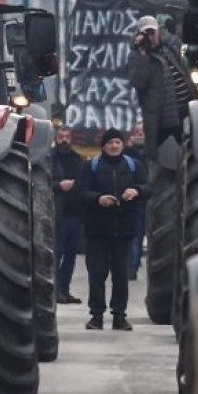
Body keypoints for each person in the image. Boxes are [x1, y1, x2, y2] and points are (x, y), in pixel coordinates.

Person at [76, 128, 151, 330]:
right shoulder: (91, 166)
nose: (114, 146)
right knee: (97, 275)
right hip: (97, 231)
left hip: (124, 230)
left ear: (122, 144)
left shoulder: (134, 165)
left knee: (121, 276)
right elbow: (80, 192)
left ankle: (119, 316)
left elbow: (148, 187)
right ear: (104, 146)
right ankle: (96, 316)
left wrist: (136, 191)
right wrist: (97, 199)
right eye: (110, 143)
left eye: (117, 142)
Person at [126, 16, 197, 163]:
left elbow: (183, 51)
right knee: (160, 157)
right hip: (164, 117)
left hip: (188, 108)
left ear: (158, 31)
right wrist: (142, 52)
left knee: (193, 151)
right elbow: (138, 81)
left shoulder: (169, 47)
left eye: (153, 32)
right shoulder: (136, 56)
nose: (150, 37)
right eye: (147, 34)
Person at [51, 125, 87, 304]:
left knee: (71, 256)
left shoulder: (77, 159)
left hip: (76, 215)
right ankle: (55, 290)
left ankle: (65, 289)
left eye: (67, 136)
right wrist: (59, 186)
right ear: (55, 138)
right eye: (61, 136)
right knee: (56, 254)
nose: (64, 140)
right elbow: (42, 183)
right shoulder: (48, 158)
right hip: (58, 215)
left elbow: (84, 182)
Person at [126, 123, 148, 280]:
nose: (140, 135)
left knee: (138, 236)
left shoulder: (151, 153)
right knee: (134, 236)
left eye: (142, 132)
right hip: (133, 201)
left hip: (146, 199)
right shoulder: (127, 155)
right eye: (136, 132)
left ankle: (133, 265)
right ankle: (131, 267)